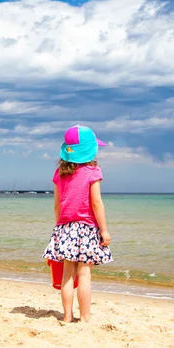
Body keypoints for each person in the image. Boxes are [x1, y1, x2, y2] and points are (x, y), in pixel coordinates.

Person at [42, 125, 113, 323]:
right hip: (86, 228)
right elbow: (96, 202)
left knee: (67, 274)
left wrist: (60, 227)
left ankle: (66, 316)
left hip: (64, 227)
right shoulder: (93, 172)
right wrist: (104, 230)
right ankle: (84, 317)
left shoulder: (60, 173)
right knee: (84, 274)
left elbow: (57, 204)